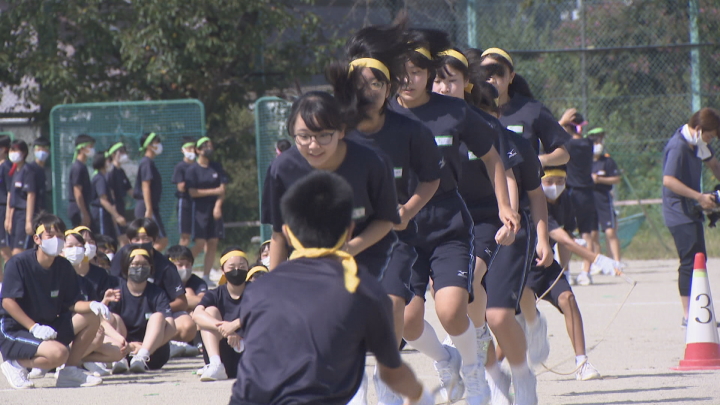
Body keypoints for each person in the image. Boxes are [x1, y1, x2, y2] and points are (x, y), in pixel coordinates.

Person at [387, 31, 518, 404]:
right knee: (407, 321)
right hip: (400, 230)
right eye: (401, 71)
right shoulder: (385, 115)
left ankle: (474, 372)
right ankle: (447, 361)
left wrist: (505, 206)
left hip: (447, 223)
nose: (408, 78)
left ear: (429, 73)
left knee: (450, 310)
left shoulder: (454, 112)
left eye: (416, 71)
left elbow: (493, 158)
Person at [231, 171, 433, 405]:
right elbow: (392, 373)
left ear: (286, 231)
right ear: (349, 230)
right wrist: (420, 395)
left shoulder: (260, 288)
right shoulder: (361, 288)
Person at [326, 20, 444, 404]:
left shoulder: (407, 129)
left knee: (393, 305)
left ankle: (387, 386)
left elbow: (430, 180)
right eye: (361, 82)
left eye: (377, 82)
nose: (369, 90)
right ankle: (355, 387)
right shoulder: (335, 130)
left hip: (394, 236)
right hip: (342, 238)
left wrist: (408, 210)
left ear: (389, 86)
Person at [463, 77, 554, 405]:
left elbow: (531, 193)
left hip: (512, 230)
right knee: (466, 307)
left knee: (499, 314)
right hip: (468, 231)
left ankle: (522, 374)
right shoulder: (447, 141)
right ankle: (492, 373)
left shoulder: (511, 143)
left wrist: (542, 236)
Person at [263, 91, 400, 279]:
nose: (313, 145)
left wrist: (347, 249)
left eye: (324, 135)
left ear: (341, 130)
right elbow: (279, 234)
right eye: (304, 136)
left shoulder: (372, 163)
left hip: (365, 257)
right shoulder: (281, 170)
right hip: (306, 263)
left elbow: (385, 220)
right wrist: (273, 285)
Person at [0, 213, 108, 389]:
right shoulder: (18, 263)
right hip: (17, 330)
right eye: (50, 236)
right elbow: (8, 302)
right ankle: (15, 365)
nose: (56, 240)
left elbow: (73, 303)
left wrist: (93, 305)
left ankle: (69, 372)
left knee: (91, 316)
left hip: (48, 327)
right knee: (59, 353)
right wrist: (33, 327)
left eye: (60, 236)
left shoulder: (63, 266)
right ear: (37, 239)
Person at [661, 107, 720, 324]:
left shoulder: (698, 144)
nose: (711, 140)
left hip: (691, 210)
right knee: (689, 261)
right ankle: (688, 315)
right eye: (710, 136)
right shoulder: (677, 146)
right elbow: (668, 180)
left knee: (699, 259)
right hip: (678, 211)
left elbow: (714, 165)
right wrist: (699, 196)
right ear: (698, 129)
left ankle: (700, 311)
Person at [479, 48, 570, 167]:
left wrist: (538, 161)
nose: (491, 79)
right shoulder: (470, 111)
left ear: (511, 76)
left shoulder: (532, 109)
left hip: (522, 184)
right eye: (486, 72)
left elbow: (563, 154)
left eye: (499, 72)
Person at [109, 219, 193, 344]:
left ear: (154, 239)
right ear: (129, 240)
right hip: (125, 315)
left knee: (188, 326)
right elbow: (111, 289)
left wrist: (157, 310)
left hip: (156, 316)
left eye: (146, 238)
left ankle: (162, 343)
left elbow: (182, 302)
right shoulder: (120, 258)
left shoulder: (166, 266)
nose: (141, 243)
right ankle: (122, 345)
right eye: (136, 239)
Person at [59, 228, 126, 378]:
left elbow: (94, 313)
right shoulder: (55, 275)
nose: (76, 250)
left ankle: (78, 360)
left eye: (80, 245)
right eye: (70, 246)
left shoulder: (86, 281)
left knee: (117, 351)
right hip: (60, 331)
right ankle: (64, 364)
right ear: (61, 250)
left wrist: (120, 338)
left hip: (83, 330)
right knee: (96, 337)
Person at [107, 247, 176, 373]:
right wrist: (130, 346)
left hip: (152, 353)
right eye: (135, 264)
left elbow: (171, 328)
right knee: (112, 317)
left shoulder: (158, 293)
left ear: (150, 268)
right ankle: (119, 359)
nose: (140, 268)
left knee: (158, 317)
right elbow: (105, 324)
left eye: (144, 264)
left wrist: (144, 348)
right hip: (124, 349)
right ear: (126, 267)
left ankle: (141, 358)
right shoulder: (116, 291)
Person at [191, 246, 250, 381]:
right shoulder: (215, 293)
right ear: (223, 270)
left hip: (249, 349)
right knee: (210, 311)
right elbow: (197, 314)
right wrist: (225, 329)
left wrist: (235, 325)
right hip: (224, 351)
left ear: (248, 268)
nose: (237, 270)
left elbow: (262, 312)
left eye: (242, 265)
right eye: (232, 266)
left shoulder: (255, 291)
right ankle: (216, 364)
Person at [559, 110, 597, 286]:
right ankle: (585, 272)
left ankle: (566, 272)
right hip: (588, 192)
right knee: (587, 233)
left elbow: (552, 134)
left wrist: (561, 121)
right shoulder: (589, 143)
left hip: (571, 191)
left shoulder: (567, 144)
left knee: (567, 232)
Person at [185, 137, 228, 285]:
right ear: (198, 150)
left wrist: (218, 206)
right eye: (205, 147)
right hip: (199, 211)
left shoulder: (216, 166)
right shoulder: (192, 170)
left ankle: (206, 276)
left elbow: (223, 190)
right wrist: (214, 191)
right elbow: (193, 192)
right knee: (199, 243)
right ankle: (181, 267)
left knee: (213, 242)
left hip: (214, 209)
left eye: (210, 146)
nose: (209, 149)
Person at [588, 128, 622, 271]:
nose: (598, 144)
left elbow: (616, 179)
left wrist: (600, 179)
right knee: (593, 233)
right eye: (596, 141)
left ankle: (616, 261)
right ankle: (598, 261)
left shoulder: (607, 161)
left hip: (603, 198)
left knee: (610, 231)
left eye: (600, 141)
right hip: (589, 199)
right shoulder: (585, 161)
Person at [166, 244, 205, 358]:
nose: (185, 269)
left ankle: (195, 343)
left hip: (183, 317)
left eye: (188, 265)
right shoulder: (165, 280)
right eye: (180, 265)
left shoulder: (196, 281)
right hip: (168, 317)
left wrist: (182, 303)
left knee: (195, 310)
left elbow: (202, 301)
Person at [133, 132, 167, 252]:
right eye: (156, 142)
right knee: (160, 240)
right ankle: (143, 260)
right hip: (146, 206)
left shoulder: (149, 162)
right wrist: (148, 209)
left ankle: (146, 263)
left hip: (150, 206)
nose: (159, 145)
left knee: (154, 240)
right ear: (149, 145)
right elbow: (145, 186)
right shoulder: (146, 162)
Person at [5, 140, 37, 255]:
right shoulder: (14, 171)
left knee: (18, 253)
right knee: (12, 252)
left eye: (15, 150)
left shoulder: (28, 170)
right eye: (11, 150)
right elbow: (11, 195)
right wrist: (8, 218)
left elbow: (31, 195)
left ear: (23, 153)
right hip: (15, 215)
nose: (12, 153)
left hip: (23, 214)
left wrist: (28, 221)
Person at [90, 151, 126, 241]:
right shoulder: (100, 178)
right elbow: (103, 200)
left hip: (105, 214)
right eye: (108, 160)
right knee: (103, 240)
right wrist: (117, 216)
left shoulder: (103, 177)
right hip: (100, 212)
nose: (110, 162)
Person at [105, 142, 132, 246]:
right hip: (114, 208)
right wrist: (115, 213)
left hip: (121, 206)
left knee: (124, 238)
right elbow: (110, 192)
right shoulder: (111, 171)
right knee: (121, 239)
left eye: (124, 151)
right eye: (120, 152)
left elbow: (129, 189)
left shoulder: (121, 171)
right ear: (113, 155)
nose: (124, 154)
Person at [172, 137, 196, 246]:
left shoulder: (198, 166)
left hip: (198, 203)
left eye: (193, 148)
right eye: (188, 148)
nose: (191, 150)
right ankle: (178, 260)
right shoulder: (180, 167)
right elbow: (180, 186)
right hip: (185, 202)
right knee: (185, 236)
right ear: (183, 150)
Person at [68, 134, 95, 228]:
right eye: (90, 147)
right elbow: (77, 192)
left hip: (84, 207)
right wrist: (84, 213)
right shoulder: (77, 167)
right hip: (78, 209)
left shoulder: (82, 166)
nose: (92, 150)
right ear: (82, 149)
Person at [27, 137, 51, 214]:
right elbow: (30, 194)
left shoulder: (46, 169)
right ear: (34, 150)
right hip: (33, 211)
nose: (41, 152)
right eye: (39, 149)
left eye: (44, 149)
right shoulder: (31, 168)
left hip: (42, 209)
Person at [0, 135, 12, 269]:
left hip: (3, 209)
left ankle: (11, 281)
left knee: (5, 250)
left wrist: (8, 216)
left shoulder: (7, 167)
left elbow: (10, 192)